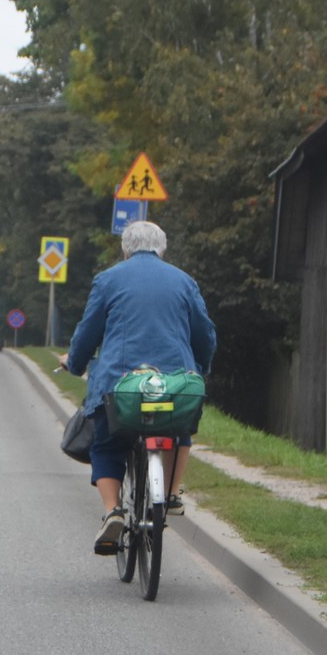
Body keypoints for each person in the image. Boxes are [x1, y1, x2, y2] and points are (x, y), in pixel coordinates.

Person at [60, 220, 215, 556]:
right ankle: (171, 493)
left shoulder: (108, 280)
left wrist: (74, 362)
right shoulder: (184, 281)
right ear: (163, 248)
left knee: (106, 444)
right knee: (180, 429)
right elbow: (204, 334)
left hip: (120, 385)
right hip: (173, 384)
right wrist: (200, 369)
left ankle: (113, 510)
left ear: (125, 249)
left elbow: (88, 332)